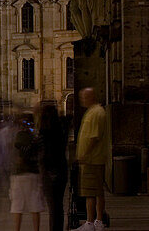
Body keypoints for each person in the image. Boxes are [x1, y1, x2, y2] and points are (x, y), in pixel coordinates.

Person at [73, 87, 111, 231]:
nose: (82, 100)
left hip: (92, 159)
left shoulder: (95, 113)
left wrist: (84, 154)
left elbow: (93, 137)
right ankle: (96, 221)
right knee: (95, 191)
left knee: (91, 192)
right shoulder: (94, 111)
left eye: (84, 97)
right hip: (93, 159)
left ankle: (92, 222)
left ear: (90, 97)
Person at [11, 112, 47, 231]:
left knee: (17, 205)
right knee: (34, 205)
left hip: (20, 174)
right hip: (33, 172)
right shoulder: (35, 135)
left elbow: (16, 153)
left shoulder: (19, 135)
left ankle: (17, 229)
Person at [39, 103, 69, 231]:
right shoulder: (61, 129)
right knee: (58, 206)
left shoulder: (46, 131)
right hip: (62, 169)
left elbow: (46, 153)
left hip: (50, 171)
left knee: (53, 207)